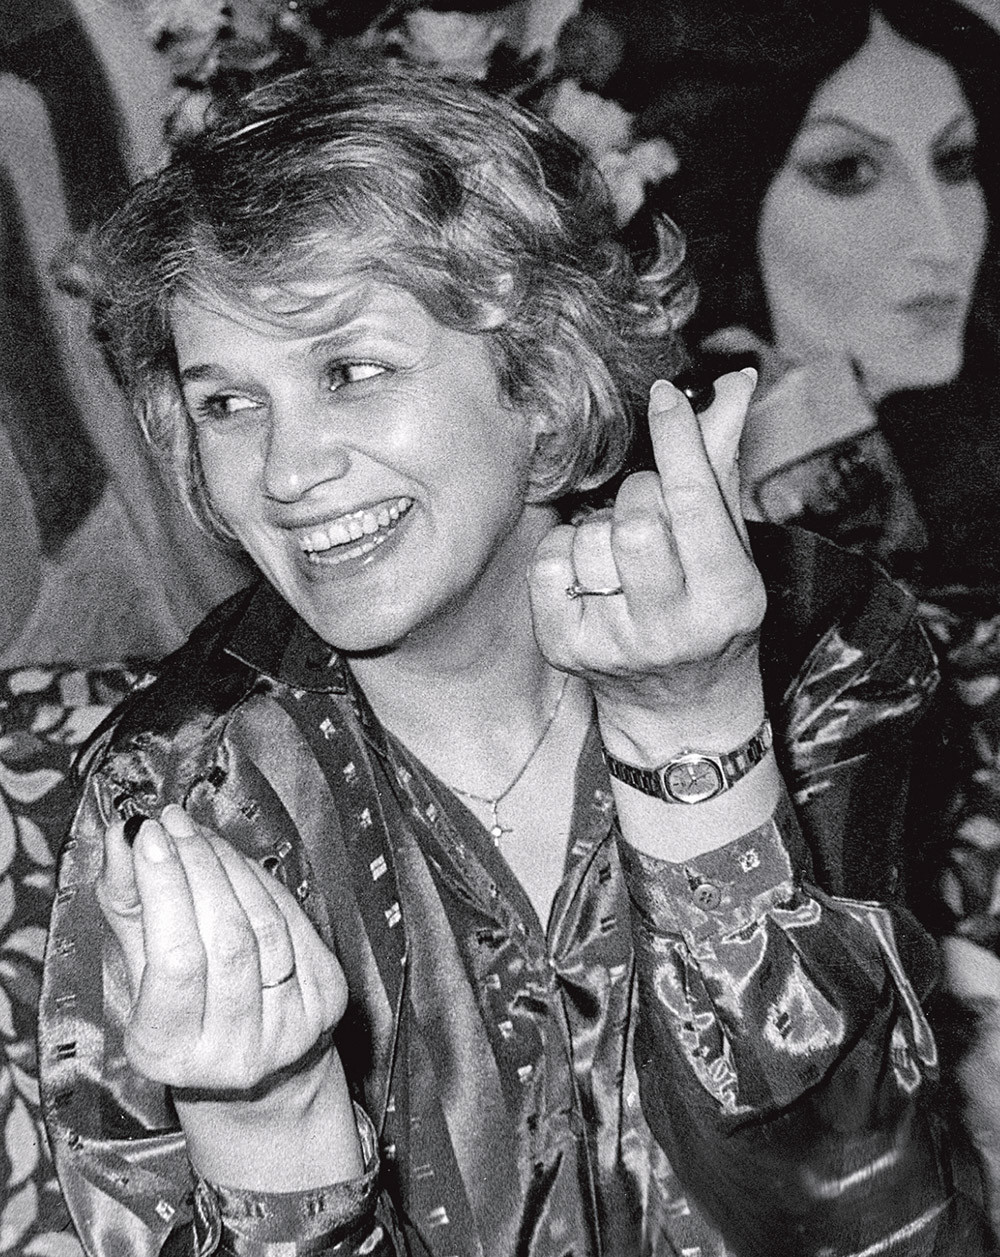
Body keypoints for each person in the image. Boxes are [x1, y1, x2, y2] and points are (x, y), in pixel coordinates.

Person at [38, 64, 992, 1257]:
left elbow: (858, 1214)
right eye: (227, 404)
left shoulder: (811, 646)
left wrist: (692, 740)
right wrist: (270, 1128)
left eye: (349, 372)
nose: (284, 473)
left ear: (537, 385)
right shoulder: (186, 784)